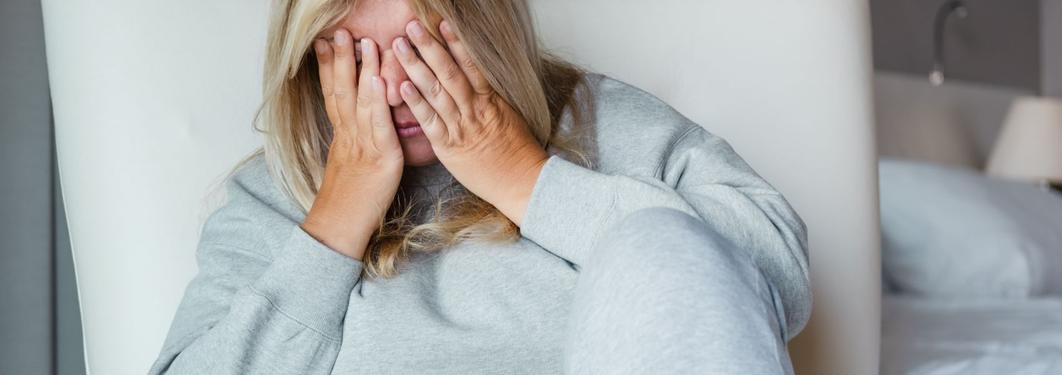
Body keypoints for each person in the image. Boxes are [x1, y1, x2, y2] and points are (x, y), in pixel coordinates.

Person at [149, 0, 811, 373]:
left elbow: (770, 278)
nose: (396, 89)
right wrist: (339, 214)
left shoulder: (608, 126)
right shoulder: (271, 202)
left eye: (418, 48)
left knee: (662, 243)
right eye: (357, 58)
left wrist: (528, 181)